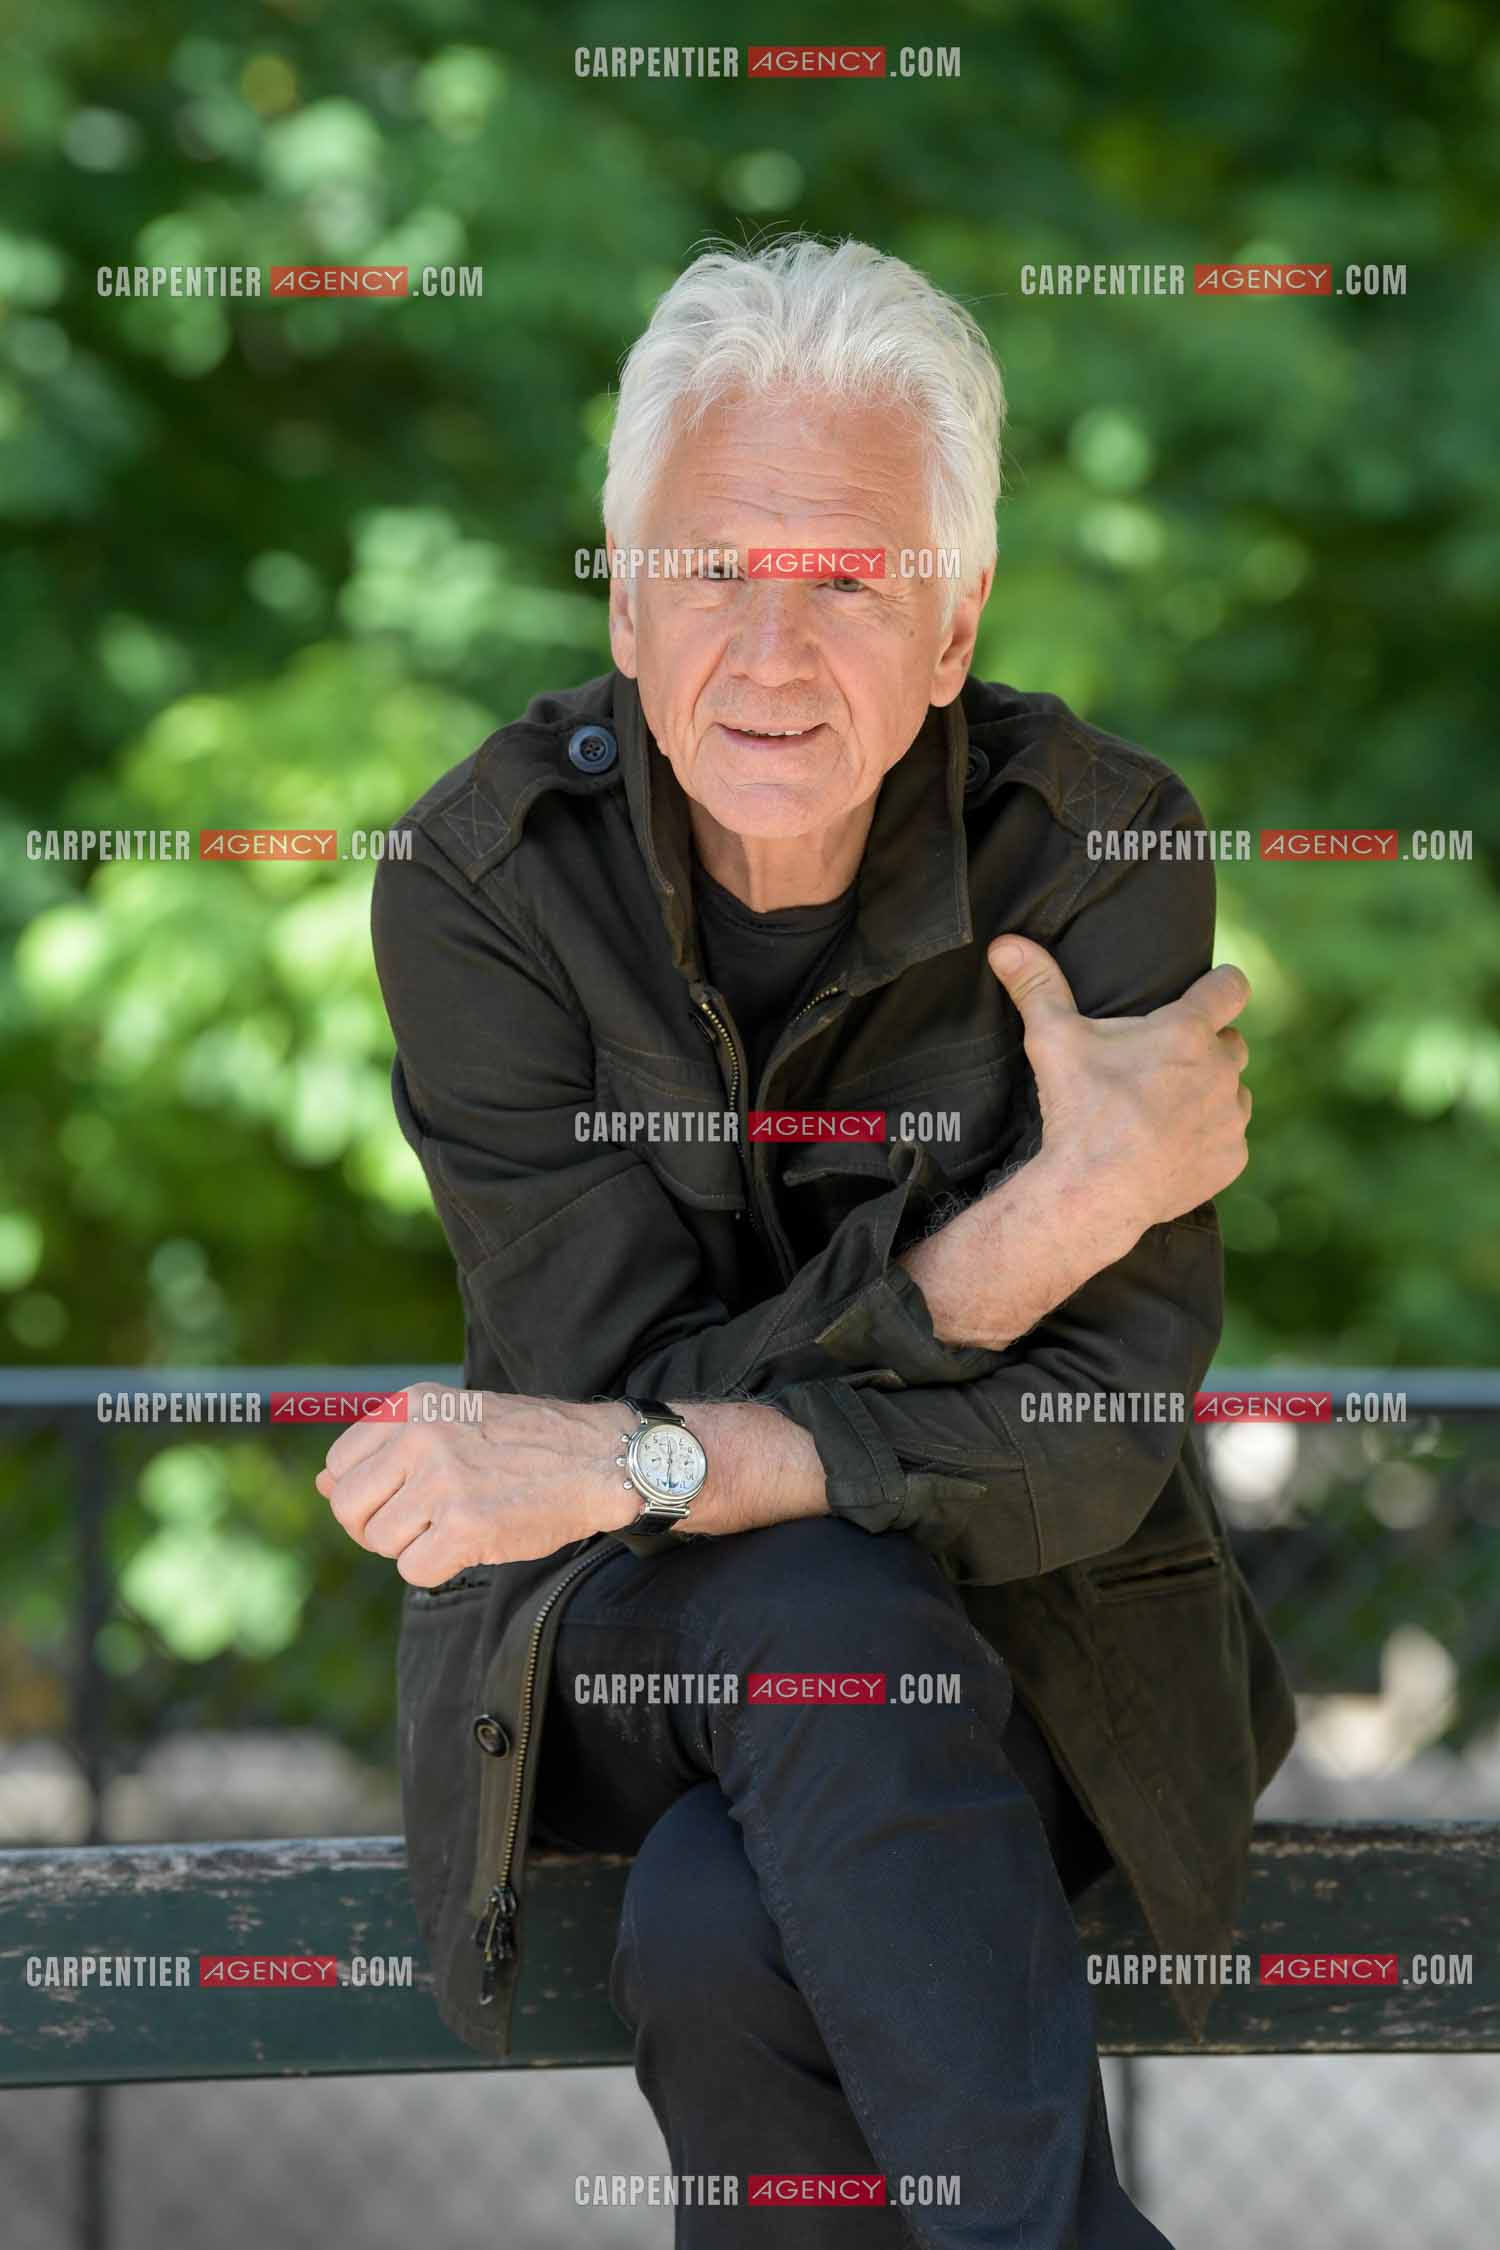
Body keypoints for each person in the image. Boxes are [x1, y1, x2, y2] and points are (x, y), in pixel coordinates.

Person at [318, 235, 1297, 2248]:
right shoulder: (485, 885)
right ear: (619, 587)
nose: (769, 649)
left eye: (847, 576)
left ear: (952, 628)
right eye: (710, 568)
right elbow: (616, 1424)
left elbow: (1098, 1442)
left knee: (716, 1920)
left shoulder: (1097, 853)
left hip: (1016, 1664)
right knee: (811, 1603)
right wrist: (1042, 1230)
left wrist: (674, 1454)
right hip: (627, 1646)